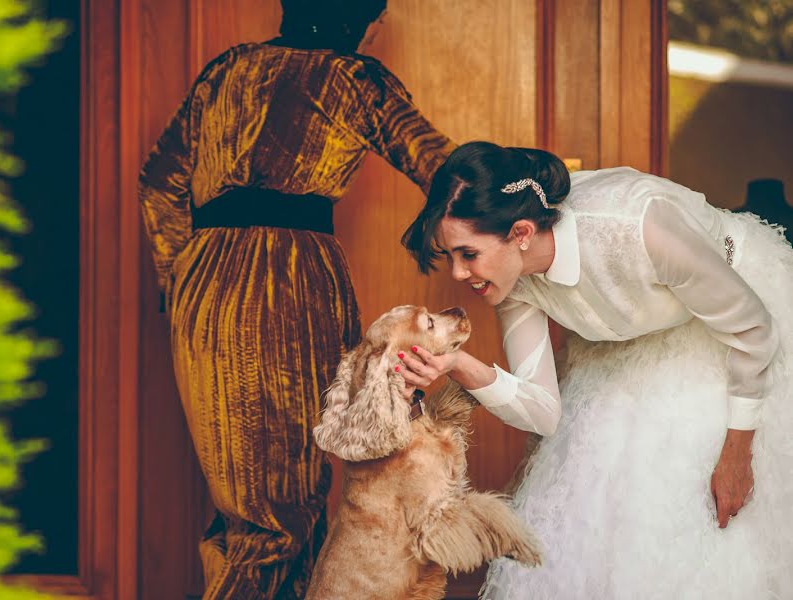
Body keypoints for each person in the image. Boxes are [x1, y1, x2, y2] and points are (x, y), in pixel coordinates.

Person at [137, 1, 453, 598]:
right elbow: (444, 169)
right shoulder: (357, 78)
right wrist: (534, 198)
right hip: (290, 284)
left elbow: (159, 182)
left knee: (242, 502)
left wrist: (179, 279)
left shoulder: (226, 68)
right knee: (280, 510)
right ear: (363, 19)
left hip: (202, 281)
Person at [396, 141, 793, 598]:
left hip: (731, 326)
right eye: (451, 257)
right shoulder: (515, 281)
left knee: (705, 515)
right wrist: (459, 365)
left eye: (468, 254)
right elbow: (543, 411)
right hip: (635, 338)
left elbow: (753, 329)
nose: (459, 274)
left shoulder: (640, 227)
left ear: (521, 232)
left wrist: (737, 454)